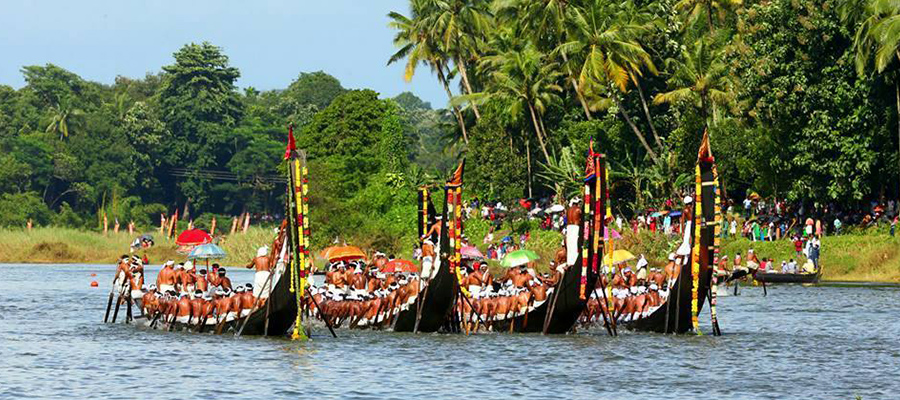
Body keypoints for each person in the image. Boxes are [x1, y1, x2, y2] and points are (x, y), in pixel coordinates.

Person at [565, 198, 582, 267]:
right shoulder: (578, 209)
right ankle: (575, 262)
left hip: (569, 227)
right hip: (575, 227)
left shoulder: (568, 210)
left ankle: (570, 262)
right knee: (575, 244)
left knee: (570, 245)